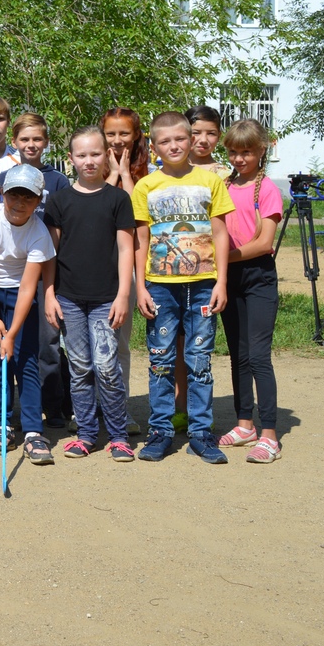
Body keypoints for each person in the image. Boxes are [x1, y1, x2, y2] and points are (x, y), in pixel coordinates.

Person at [132, 111, 234, 464]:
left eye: (180, 139)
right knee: (160, 360)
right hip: (159, 287)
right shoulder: (146, 186)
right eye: (165, 141)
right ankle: (160, 431)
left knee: (199, 361)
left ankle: (201, 433)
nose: (173, 146)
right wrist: (140, 286)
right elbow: (140, 239)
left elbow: (220, 232)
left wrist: (221, 280)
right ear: (154, 146)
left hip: (204, 286)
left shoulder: (210, 181)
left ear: (191, 140)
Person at [42, 127, 136, 461]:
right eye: (81, 155)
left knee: (108, 367)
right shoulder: (58, 201)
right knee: (80, 367)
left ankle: (119, 435)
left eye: (95, 154)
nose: (89, 161)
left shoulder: (118, 199)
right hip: (68, 298)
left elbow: (127, 250)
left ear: (107, 156)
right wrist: (49, 294)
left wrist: (124, 294)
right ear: (71, 159)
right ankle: (85, 434)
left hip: (107, 298)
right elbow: (49, 253)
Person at [0, 164, 57, 465]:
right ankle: (3, 425)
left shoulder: (39, 232)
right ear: (2, 193)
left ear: (38, 201)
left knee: (26, 363)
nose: (19, 204)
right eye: (13, 196)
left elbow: (27, 288)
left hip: (22, 296)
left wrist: (11, 333)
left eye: (28, 198)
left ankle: (34, 431)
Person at [0, 112, 71, 429]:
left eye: (37, 139)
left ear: (46, 143)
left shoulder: (57, 181)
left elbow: (60, 227)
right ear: (14, 142)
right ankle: (12, 408)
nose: (31, 144)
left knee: (47, 343)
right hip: (12, 273)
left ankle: (53, 406)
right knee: (13, 343)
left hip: (46, 272)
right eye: (24, 139)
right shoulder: (6, 177)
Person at [217, 119, 283, 463]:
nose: (239, 158)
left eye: (246, 152)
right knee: (238, 355)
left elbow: (264, 242)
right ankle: (245, 424)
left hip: (257, 276)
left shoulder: (268, 189)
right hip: (229, 277)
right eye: (233, 152)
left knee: (258, 355)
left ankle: (270, 434)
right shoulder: (223, 185)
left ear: (262, 150)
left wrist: (223, 257)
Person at [101, 106, 149, 436]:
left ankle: (121, 409)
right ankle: (88, 409)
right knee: (88, 346)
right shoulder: (91, 165)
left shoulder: (147, 173)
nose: (117, 140)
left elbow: (134, 212)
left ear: (136, 136)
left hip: (127, 269)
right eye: (111, 134)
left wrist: (126, 174)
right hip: (93, 268)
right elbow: (99, 204)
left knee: (120, 344)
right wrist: (113, 173)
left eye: (124, 134)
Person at [187, 105, 230, 177]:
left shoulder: (222, 175)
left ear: (219, 136)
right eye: (196, 133)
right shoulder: (171, 169)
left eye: (211, 133)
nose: (203, 140)